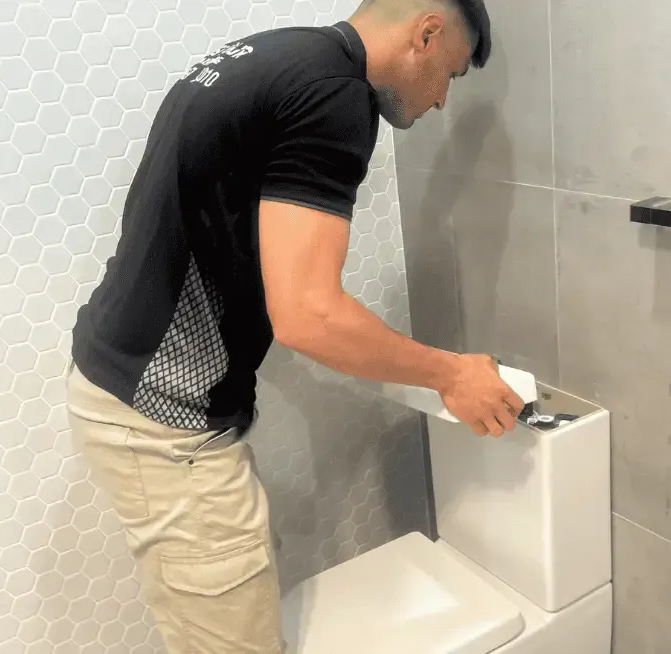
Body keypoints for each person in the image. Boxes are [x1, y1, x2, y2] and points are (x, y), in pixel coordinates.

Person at [65, 1, 521, 651]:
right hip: (163, 422)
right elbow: (309, 315)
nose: (442, 101)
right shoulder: (335, 96)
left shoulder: (275, 54)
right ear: (425, 33)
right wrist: (452, 374)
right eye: (448, 74)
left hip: (123, 385)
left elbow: (220, 235)